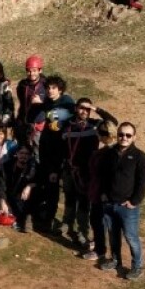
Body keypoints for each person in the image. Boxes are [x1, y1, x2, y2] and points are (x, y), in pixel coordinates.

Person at [61, 98, 117, 248]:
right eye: (81, 108)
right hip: (68, 169)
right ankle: (67, 224)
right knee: (69, 198)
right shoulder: (68, 124)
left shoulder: (95, 125)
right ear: (75, 108)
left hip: (86, 171)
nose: (84, 111)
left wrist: (96, 108)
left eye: (87, 109)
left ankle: (82, 232)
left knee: (84, 202)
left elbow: (113, 122)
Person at [97, 122, 145, 280]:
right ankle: (115, 260)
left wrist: (134, 201)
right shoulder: (110, 153)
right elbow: (103, 175)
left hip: (128, 206)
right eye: (121, 134)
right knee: (113, 234)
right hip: (109, 202)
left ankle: (138, 267)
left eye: (128, 135)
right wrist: (103, 194)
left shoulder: (141, 158)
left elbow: (143, 183)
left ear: (134, 137)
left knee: (131, 237)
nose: (124, 138)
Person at [31, 75, 75, 230]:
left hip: (60, 150)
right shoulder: (47, 103)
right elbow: (35, 116)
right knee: (46, 183)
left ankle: (56, 221)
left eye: (53, 88)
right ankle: (45, 215)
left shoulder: (67, 102)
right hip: (46, 147)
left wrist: (61, 123)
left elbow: (72, 118)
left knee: (55, 184)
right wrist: (38, 105)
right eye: (48, 88)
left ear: (60, 89)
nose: (50, 90)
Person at [82, 123, 115, 262]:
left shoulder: (110, 153)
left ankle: (100, 250)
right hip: (97, 190)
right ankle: (98, 243)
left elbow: (108, 175)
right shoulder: (105, 151)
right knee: (96, 220)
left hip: (103, 192)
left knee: (99, 221)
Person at [0, 146, 38, 232]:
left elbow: (40, 181)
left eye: (27, 154)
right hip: (7, 195)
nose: (24, 156)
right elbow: (1, 185)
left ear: (30, 156)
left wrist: (29, 186)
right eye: (21, 153)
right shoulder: (7, 166)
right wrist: (3, 201)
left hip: (22, 198)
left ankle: (26, 219)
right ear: (16, 154)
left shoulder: (33, 168)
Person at [14, 55, 47, 145]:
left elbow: (53, 105)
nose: (31, 73)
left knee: (37, 153)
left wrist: (41, 102)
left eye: (34, 70)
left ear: (40, 70)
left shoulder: (46, 85)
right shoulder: (22, 85)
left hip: (39, 127)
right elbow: (22, 102)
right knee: (23, 152)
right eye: (29, 71)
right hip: (24, 125)